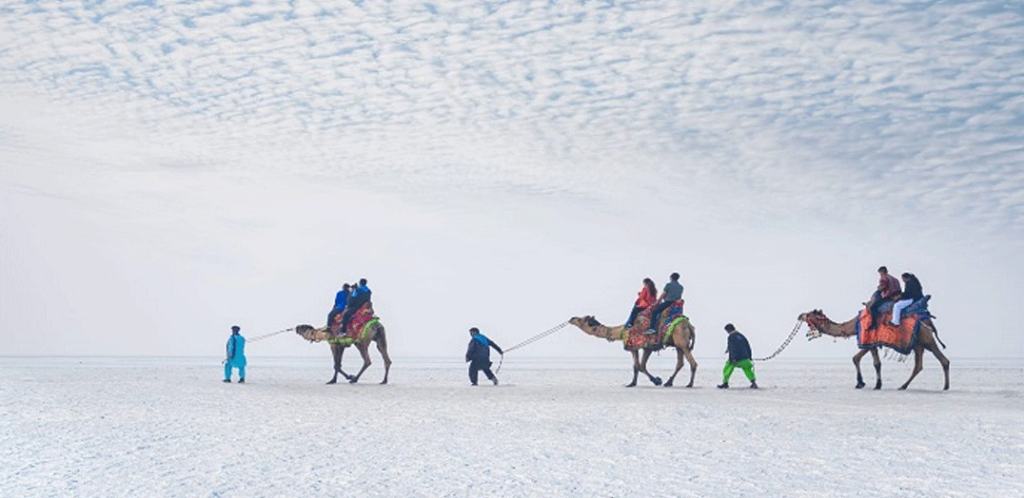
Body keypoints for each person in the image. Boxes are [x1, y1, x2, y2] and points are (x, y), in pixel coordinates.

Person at [717, 323, 757, 389]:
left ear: (728, 330)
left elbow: (732, 348)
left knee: (727, 368)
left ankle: (725, 383)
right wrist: (749, 357)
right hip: (745, 358)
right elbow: (748, 346)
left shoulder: (731, 337)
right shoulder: (741, 336)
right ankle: (753, 383)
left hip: (736, 359)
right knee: (747, 369)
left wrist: (733, 359)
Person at [867, 266, 902, 330]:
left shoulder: (884, 278)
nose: (880, 275)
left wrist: (878, 289)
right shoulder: (895, 279)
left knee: (873, 308)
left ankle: (874, 324)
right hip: (897, 297)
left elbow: (881, 288)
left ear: (882, 272)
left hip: (889, 298)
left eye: (880, 273)